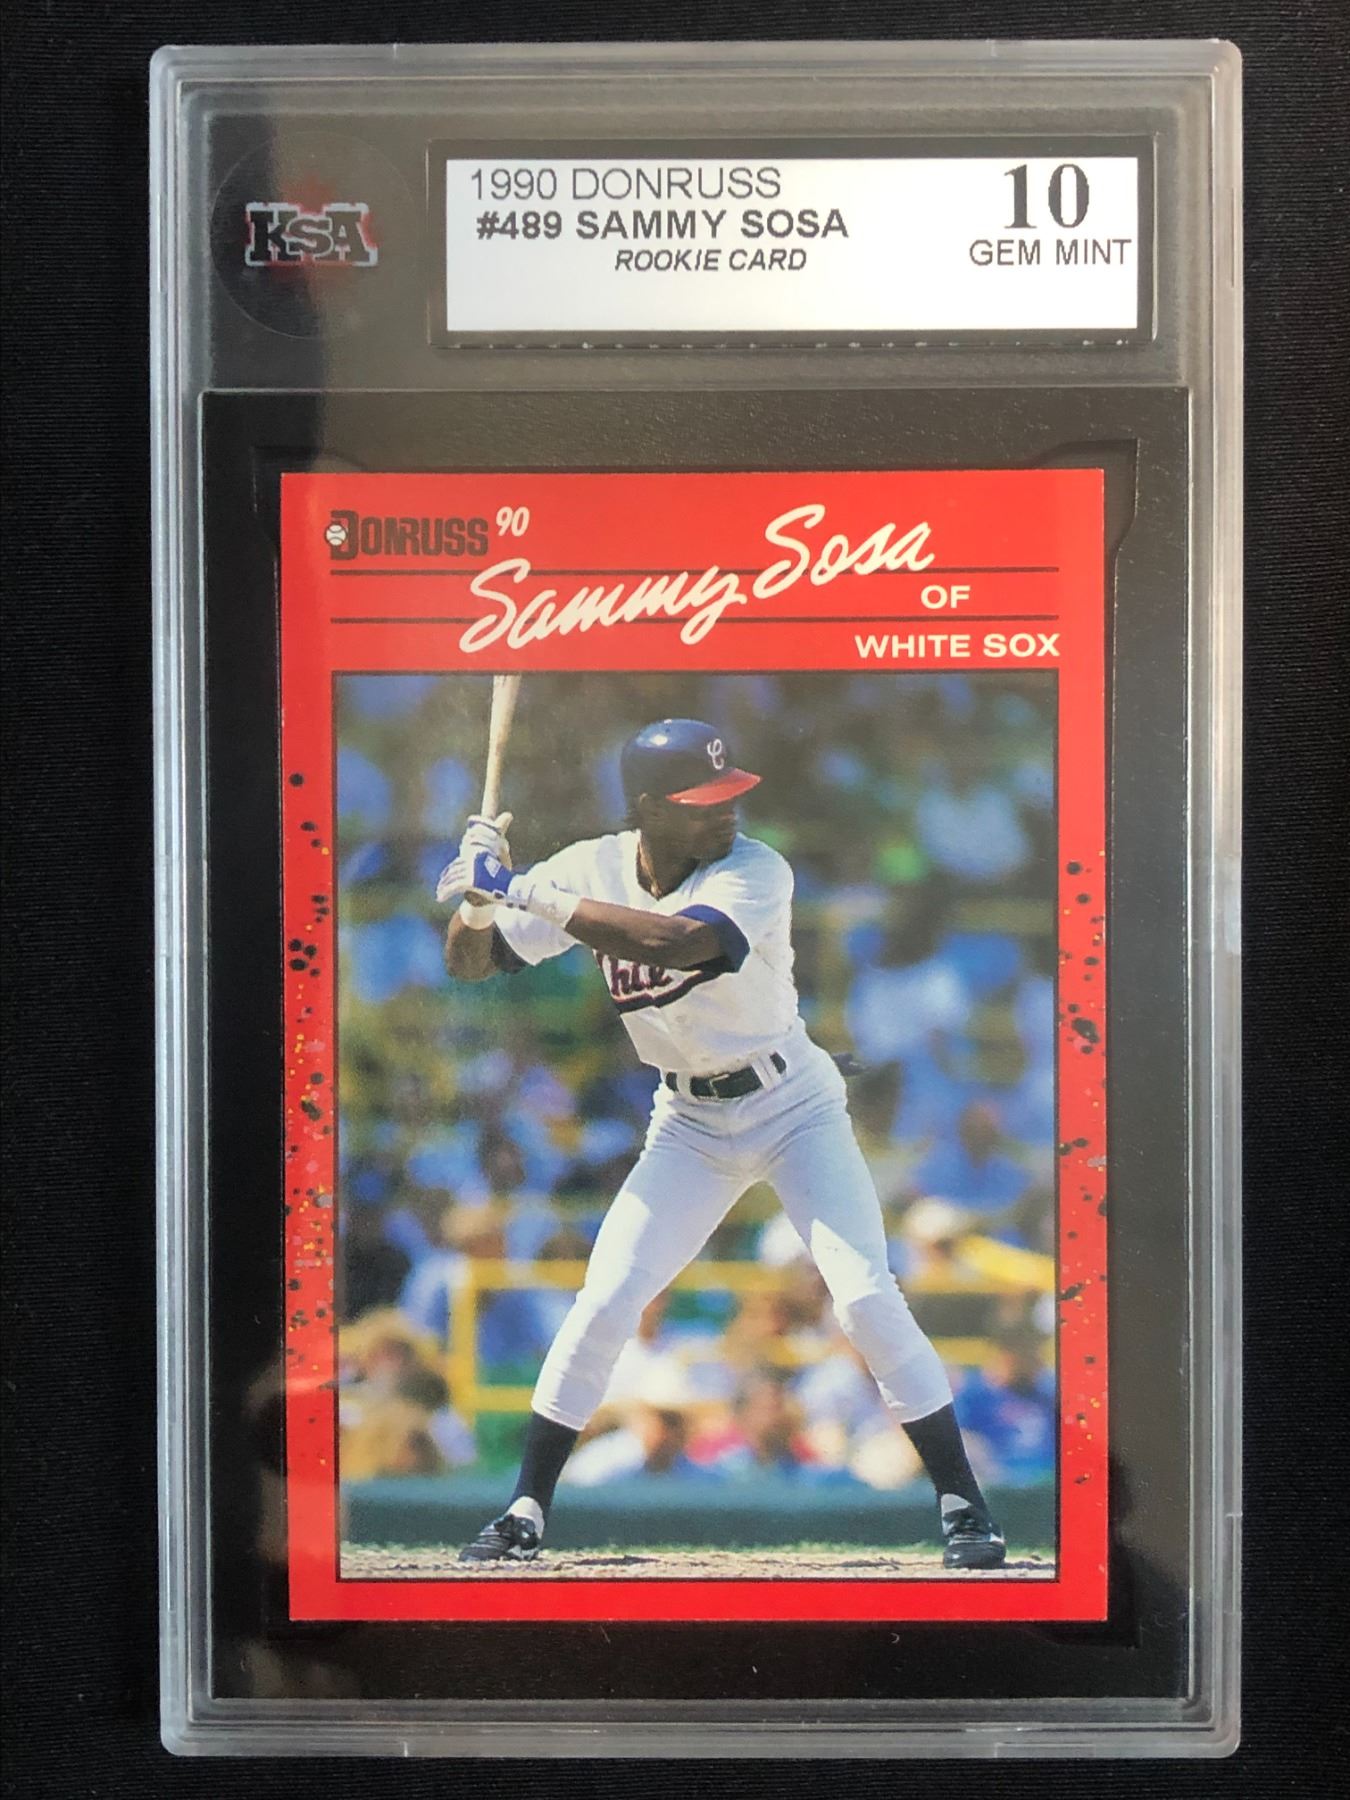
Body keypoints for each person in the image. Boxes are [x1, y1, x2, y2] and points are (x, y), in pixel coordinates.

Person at [436, 718, 1004, 1569]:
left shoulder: (755, 867)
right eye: (702, 802)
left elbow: (680, 942)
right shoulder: (589, 867)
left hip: (794, 1104)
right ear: (647, 808)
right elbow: (470, 964)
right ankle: (523, 1509)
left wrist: (519, 888)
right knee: (607, 1298)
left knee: (863, 1297)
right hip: (688, 1121)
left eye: (728, 793)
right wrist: (479, 903)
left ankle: (965, 1506)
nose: (726, 811)